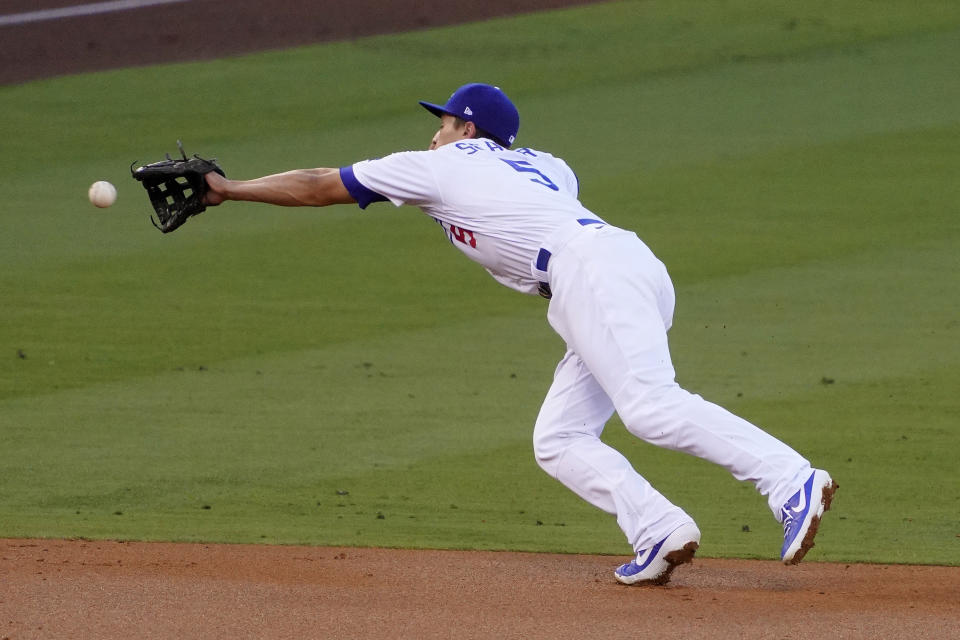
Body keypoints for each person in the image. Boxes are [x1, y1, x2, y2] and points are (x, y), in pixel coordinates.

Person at [203, 83, 837, 585]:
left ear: (469, 131)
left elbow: (320, 185)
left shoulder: (441, 166)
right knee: (558, 438)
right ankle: (659, 529)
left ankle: (789, 480)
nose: (436, 131)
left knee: (649, 407)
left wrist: (231, 189)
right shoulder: (548, 166)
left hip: (590, 271)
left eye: (447, 120)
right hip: (613, 269)